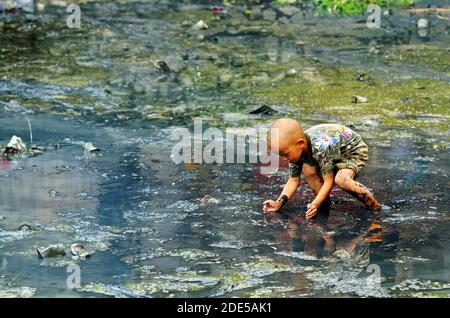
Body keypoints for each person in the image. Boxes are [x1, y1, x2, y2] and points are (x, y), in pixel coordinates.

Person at [263, 118, 381, 218]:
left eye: (285, 154)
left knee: (341, 179)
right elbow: (293, 180)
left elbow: (328, 181)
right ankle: (324, 204)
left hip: (351, 151)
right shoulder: (294, 150)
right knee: (308, 170)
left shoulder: (320, 147)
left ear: (300, 144)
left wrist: (314, 204)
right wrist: (278, 203)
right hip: (332, 153)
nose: (283, 159)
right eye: (280, 155)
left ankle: (375, 207)